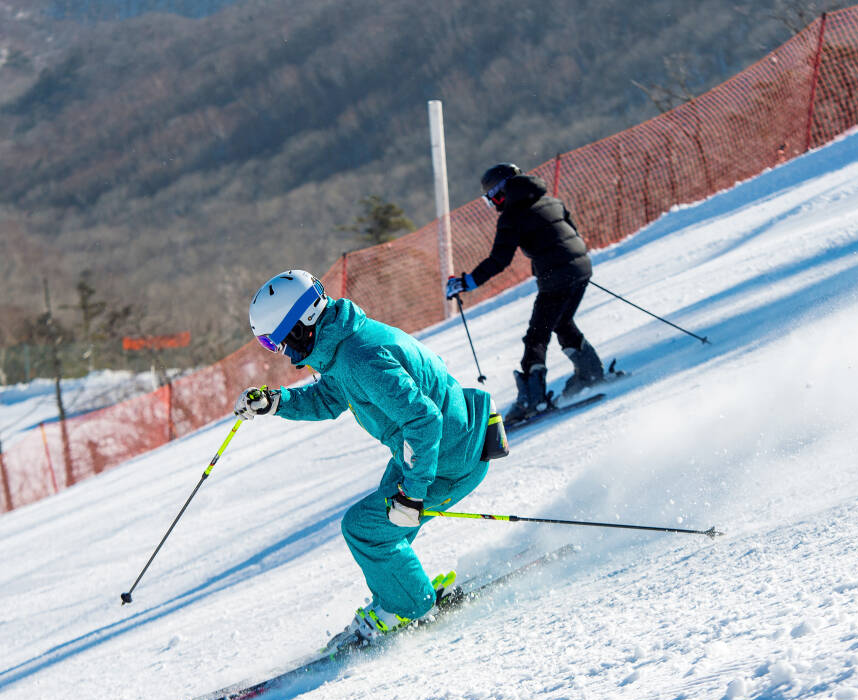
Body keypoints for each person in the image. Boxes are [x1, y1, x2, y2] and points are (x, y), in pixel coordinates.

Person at [235, 269, 508, 641]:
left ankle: (408, 606)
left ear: (299, 327)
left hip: (448, 460)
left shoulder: (360, 358)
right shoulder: (343, 345)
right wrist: (278, 402)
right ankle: (395, 596)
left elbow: (424, 420)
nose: (278, 351)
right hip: (439, 448)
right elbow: (330, 397)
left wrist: (413, 492)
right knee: (381, 525)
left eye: (274, 342)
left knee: (363, 528)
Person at [445, 162, 605, 423]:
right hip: (581, 269)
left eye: (494, 197)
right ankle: (590, 372)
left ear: (504, 191)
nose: (495, 205)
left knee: (536, 336)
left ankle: (533, 400)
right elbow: (570, 234)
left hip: (557, 276)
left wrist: (467, 282)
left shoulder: (512, 216)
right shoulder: (551, 201)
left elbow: (500, 260)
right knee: (562, 322)